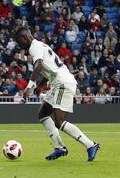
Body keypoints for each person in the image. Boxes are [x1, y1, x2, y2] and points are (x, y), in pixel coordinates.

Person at [14, 27, 100, 162]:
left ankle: (90, 145)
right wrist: (39, 86)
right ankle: (59, 147)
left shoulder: (34, 47)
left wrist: (29, 88)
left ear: (24, 38)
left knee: (59, 121)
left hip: (62, 83)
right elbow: (48, 70)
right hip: (57, 83)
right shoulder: (40, 45)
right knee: (42, 114)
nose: (20, 46)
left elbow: (39, 66)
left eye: (20, 42)